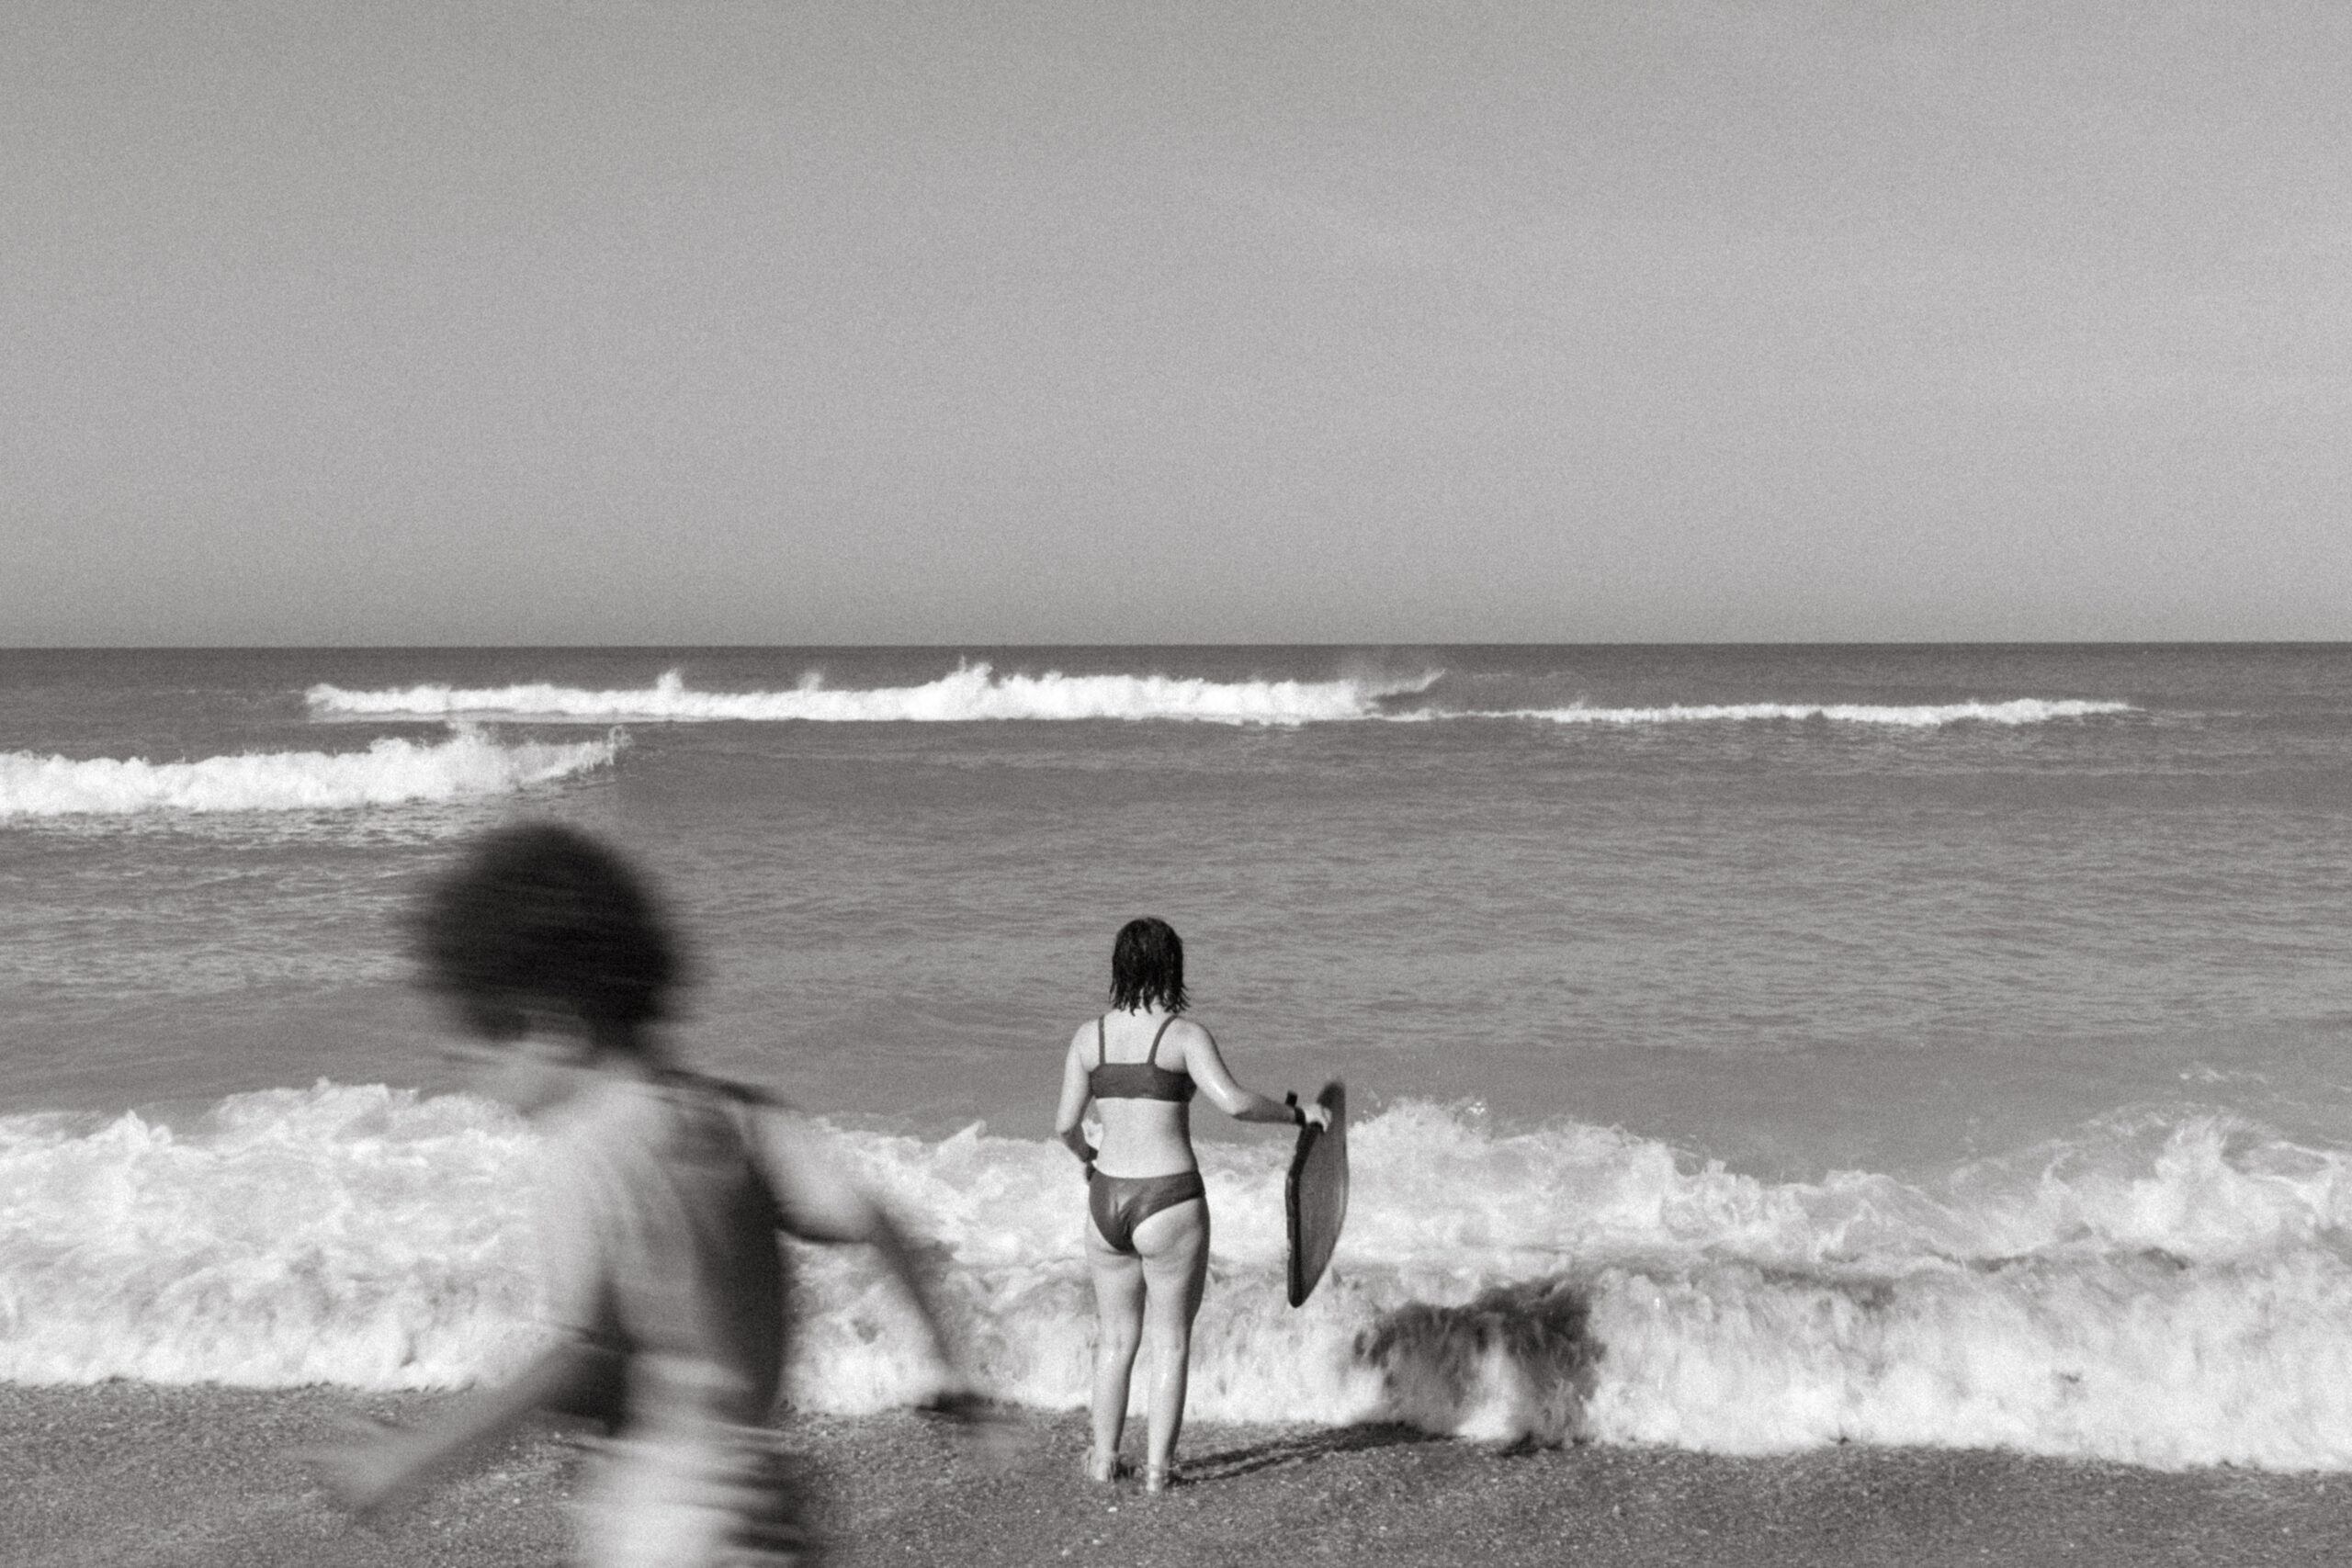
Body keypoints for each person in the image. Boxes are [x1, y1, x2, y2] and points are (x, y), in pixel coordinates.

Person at [313, 822, 965, 1566]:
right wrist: (951, 1369)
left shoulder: (583, 1149)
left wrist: (416, 1454)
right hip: (767, 1494)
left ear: (554, 1027)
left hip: (668, 1507)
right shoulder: (739, 1113)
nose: (470, 1074)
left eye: (479, 1044)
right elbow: (879, 1220)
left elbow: (582, 1355)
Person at [1052, 916, 1329, 1493]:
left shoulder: (1088, 1038)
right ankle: (1157, 1473)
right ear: (1171, 968)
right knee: (1170, 1340)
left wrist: (1087, 1161)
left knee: (1115, 1340)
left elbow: (1063, 1126)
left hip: (1107, 1198)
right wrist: (1300, 1113)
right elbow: (1234, 1105)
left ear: (1119, 968)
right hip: (1168, 1199)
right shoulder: (1183, 1037)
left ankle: (1103, 1461)